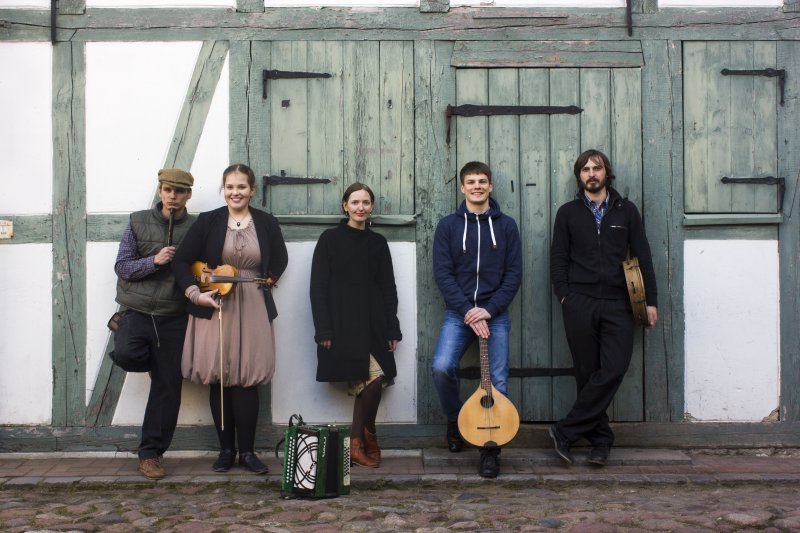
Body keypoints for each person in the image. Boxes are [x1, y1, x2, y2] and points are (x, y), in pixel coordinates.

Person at [174, 163, 288, 474]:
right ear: (223, 190)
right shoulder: (208, 221)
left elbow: (279, 257)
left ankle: (248, 452)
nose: (235, 192)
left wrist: (270, 278)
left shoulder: (266, 222)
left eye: (241, 187)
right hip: (215, 303)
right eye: (229, 187)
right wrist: (196, 293)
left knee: (247, 379)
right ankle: (226, 450)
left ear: (252, 190)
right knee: (220, 377)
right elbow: (183, 262)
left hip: (252, 302)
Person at [549, 149, 658, 467]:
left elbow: (643, 255)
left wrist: (650, 301)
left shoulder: (626, 211)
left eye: (597, 168)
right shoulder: (568, 213)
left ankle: (565, 430)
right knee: (586, 373)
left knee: (613, 368)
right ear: (579, 175)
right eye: (585, 169)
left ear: (606, 173)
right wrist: (565, 297)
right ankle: (600, 441)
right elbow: (558, 258)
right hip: (579, 303)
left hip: (619, 303)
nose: (591, 173)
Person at [430, 161, 523, 479]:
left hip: (494, 315)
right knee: (442, 367)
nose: (477, 186)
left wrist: (490, 309)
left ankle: (490, 450)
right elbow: (443, 274)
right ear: (462, 187)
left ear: (491, 186)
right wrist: (469, 311)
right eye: (471, 182)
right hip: (459, 313)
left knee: (498, 381)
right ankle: (458, 421)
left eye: (482, 181)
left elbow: (514, 274)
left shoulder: (507, 226)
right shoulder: (448, 226)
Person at [110, 168, 196, 480]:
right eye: (167, 190)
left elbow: (203, 266)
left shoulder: (197, 227)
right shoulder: (137, 221)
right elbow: (122, 266)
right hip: (137, 310)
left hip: (174, 315)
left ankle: (151, 454)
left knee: (168, 387)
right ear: (160, 191)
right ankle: (145, 352)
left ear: (188, 195)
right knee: (126, 354)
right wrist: (154, 261)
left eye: (180, 191)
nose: (173, 196)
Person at [309, 182, 402, 468]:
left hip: (373, 323)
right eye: (355, 202)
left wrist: (392, 327)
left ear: (371, 207)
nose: (360, 207)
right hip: (341, 322)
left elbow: (388, 286)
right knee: (369, 380)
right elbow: (318, 287)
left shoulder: (378, 243)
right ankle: (361, 440)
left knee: (373, 381)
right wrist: (323, 329)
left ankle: (362, 438)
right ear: (344, 206)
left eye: (365, 202)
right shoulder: (329, 239)